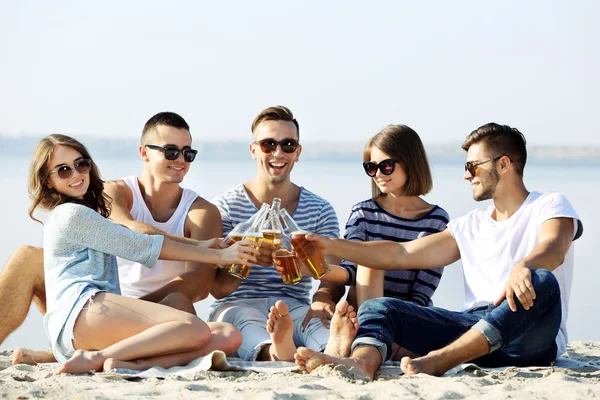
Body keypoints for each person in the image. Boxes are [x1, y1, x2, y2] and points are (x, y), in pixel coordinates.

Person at [294, 122, 583, 379]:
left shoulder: (549, 205)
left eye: (472, 166)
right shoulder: (469, 225)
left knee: (542, 281)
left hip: (528, 336)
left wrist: (524, 265)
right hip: (472, 331)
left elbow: (554, 247)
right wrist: (330, 245)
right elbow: (400, 254)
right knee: (377, 308)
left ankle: (440, 360)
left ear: (504, 164)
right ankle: (361, 363)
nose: (466, 176)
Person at [3, 112, 237, 365]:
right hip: (84, 312)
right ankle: (97, 357)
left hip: (111, 314)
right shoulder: (73, 214)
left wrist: (235, 260)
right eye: (63, 170)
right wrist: (213, 252)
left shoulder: (88, 210)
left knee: (228, 335)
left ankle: (125, 361)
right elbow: (136, 241)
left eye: (81, 164)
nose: (76, 174)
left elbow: (203, 286)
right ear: (48, 181)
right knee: (194, 329)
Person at [209, 105, 347, 362]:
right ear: (253, 150)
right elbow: (218, 289)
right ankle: (274, 351)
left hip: (293, 303)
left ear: (298, 152)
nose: (278, 153)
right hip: (237, 303)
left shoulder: (319, 209)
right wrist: (245, 258)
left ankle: (330, 351)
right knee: (244, 322)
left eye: (288, 145)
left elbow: (332, 276)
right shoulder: (225, 206)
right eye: (268, 144)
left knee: (313, 322)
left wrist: (320, 300)